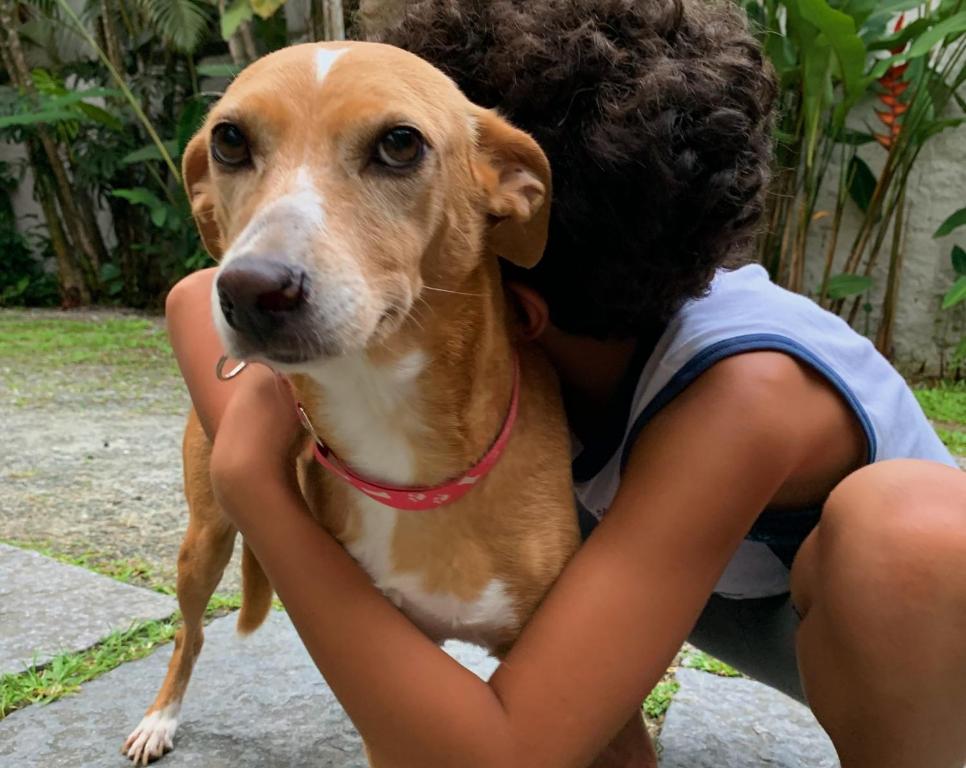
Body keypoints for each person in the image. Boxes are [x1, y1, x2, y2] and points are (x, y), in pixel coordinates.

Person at [165, 1, 966, 766]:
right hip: (699, 578)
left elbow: (502, 753)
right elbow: (192, 299)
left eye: (398, 149)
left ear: (509, 233)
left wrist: (253, 485)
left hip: (896, 638)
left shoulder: (745, 390)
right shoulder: (534, 328)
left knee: (906, 532)